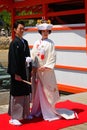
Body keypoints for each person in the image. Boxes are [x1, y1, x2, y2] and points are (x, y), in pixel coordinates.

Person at [28, 18, 78, 121]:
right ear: (40, 31)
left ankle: (49, 111)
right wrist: (33, 65)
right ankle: (38, 109)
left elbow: (52, 57)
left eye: (47, 31)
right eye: (43, 31)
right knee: (38, 91)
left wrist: (46, 66)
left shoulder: (51, 43)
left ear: (49, 32)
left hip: (46, 72)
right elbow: (33, 54)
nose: (45, 33)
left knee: (47, 92)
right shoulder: (37, 42)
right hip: (38, 71)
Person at [7, 21, 32, 125]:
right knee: (17, 94)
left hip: (25, 71)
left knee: (26, 92)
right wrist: (15, 74)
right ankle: (14, 117)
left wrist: (29, 63)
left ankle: (25, 114)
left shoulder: (24, 42)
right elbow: (12, 60)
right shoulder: (14, 43)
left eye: (23, 28)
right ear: (15, 30)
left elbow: (27, 56)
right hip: (17, 73)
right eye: (20, 28)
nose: (22, 30)